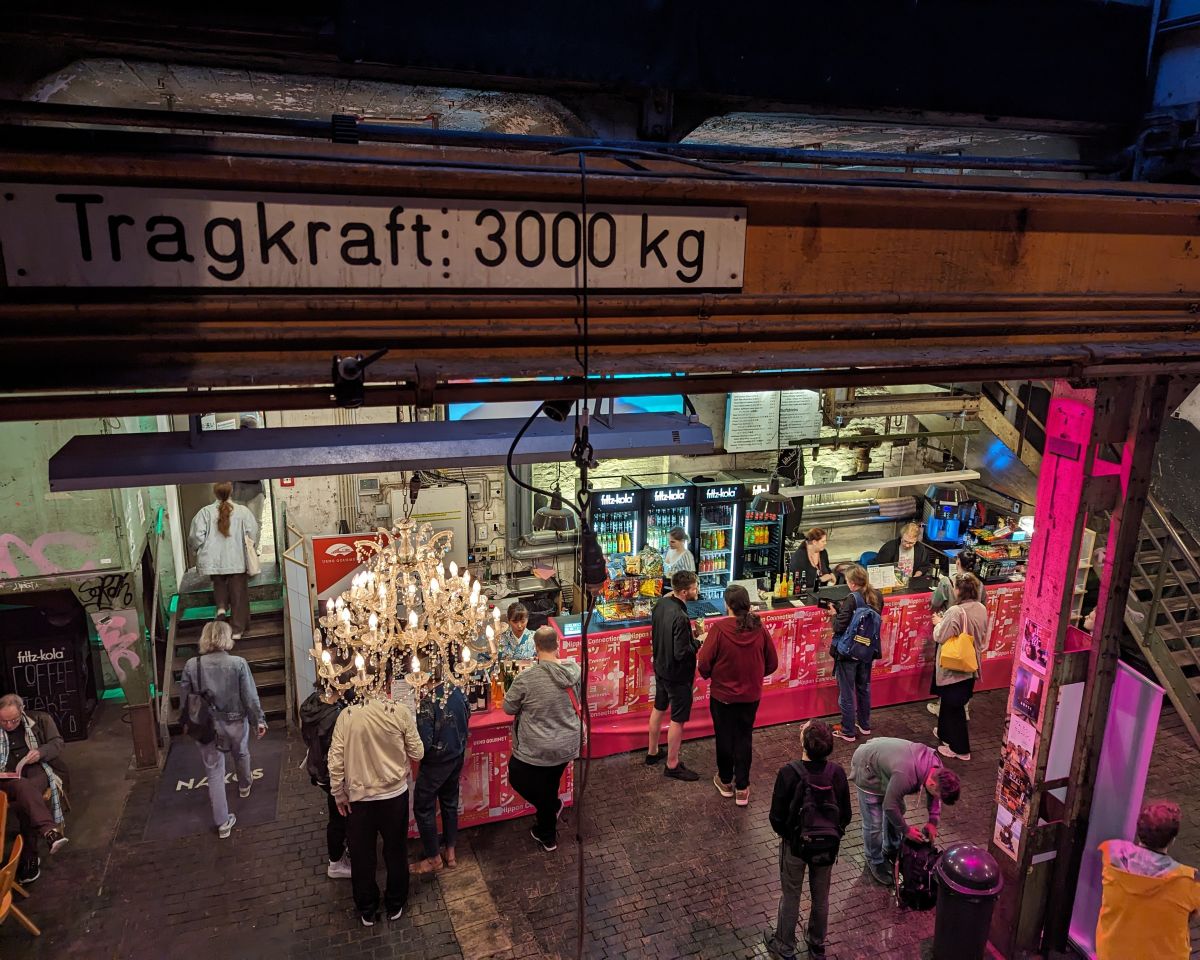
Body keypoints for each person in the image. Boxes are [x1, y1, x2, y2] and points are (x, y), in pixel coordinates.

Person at [327, 692, 425, 926]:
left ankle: (367, 908)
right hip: (394, 796)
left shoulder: (347, 715)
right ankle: (395, 903)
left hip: (358, 800)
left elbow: (335, 759)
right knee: (395, 851)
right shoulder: (398, 712)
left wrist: (339, 794)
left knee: (362, 856)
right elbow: (418, 752)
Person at [765, 720, 852, 960]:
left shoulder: (788, 773)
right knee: (821, 895)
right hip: (826, 847)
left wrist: (789, 836)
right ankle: (816, 945)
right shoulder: (837, 773)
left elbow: (776, 817)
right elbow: (845, 814)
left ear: (803, 743)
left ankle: (784, 945)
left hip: (795, 846)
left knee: (791, 894)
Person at [177, 620, 267, 839]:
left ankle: (223, 822)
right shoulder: (238, 663)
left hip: (205, 724)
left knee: (214, 771)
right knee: (241, 752)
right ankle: (244, 784)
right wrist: (259, 720)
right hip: (235, 720)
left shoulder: (192, 665)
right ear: (226, 638)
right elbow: (250, 696)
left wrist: (186, 723)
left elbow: (185, 698)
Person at [697, 583, 779, 805]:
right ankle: (742, 787)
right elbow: (772, 662)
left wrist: (711, 674)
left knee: (724, 737)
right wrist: (754, 676)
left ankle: (725, 781)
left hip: (722, 695)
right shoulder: (758, 628)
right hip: (750, 696)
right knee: (744, 737)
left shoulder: (719, 629)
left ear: (727, 605)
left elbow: (703, 662)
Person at [503, 626, 582, 853]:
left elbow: (509, 707)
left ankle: (548, 819)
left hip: (537, 747)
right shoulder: (573, 669)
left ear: (536, 647)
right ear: (557, 645)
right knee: (549, 783)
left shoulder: (527, 678)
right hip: (567, 743)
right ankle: (547, 832)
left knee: (518, 777)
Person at [1095, 799, 1200, 960]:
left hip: (1112, 954)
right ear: (1173, 839)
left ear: (1139, 831)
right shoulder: (1189, 882)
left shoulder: (1111, 856)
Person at [849, 737, 960, 885]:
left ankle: (891, 847)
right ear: (932, 784)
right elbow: (889, 806)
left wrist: (932, 821)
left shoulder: (937, 767)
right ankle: (874, 860)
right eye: (937, 795)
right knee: (874, 823)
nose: (936, 798)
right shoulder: (906, 775)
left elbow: (932, 796)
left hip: (887, 766)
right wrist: (906, 830)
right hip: (867, 767)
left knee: (899, 810)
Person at [0, 694, 68, 885]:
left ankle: (30, 857)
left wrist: (40, 752)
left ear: (21, 712)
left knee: (26, 796)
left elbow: (57, 743)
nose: (8, 725)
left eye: (13, 720)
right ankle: (49, 832)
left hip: (35, 768)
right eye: (3, 721)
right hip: (7, 776)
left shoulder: (39, 720)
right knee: (25, 791)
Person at [646, 570, 703, 780]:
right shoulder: (680, 616)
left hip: (660, 668)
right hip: (677, 676)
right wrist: (698, 641)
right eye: (695, 587)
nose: (697, 590)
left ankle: (652, 752)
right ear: (685, 591)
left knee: (658, 708)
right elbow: (681, 652)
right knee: (677, 720)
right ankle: (672, 764)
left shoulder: (661, 605)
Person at [189, 481, 260, 640]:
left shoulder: (205, 513)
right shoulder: (243, 512)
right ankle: (236, 630)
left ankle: (221, 608)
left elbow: (195, 537)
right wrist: (252, 547)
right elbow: (252, 533)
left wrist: (197, 550)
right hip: (237, 561)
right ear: (231, 492)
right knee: (238, 593)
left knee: (219, 584)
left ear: (215, 493)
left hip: (215, 562)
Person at [412, 680, 469, 875]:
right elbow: (467, 713)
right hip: (456, 755)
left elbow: (423, 744)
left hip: (436, 763)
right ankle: (450, 853)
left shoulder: (426, 701)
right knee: (449, 802)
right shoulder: (456, 689)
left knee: (423, 806)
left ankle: (434, 858)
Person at [931, 574, 988, 761]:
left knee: (954, 707)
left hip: (954, 666)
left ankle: (960, 749)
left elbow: (940, 636)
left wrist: (938, 623)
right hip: (971, 663)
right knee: (951, 704)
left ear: (958, 591)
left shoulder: (955, 611)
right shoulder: (981, 608)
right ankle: (946, 735)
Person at [828, 565, 884, 744]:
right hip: (867, 650)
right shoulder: (877, 595)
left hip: (849, 652)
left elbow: (838, 627)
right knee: (863, 687)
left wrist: (833, 614)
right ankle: (864, 725)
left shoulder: (853, 598)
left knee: (847, 691)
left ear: (852, 584)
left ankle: (848, 730)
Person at [299, 689, 351, 878]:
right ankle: (336, 862)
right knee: (341, 817)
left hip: (318, 767)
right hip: (331, 774)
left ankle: (341, 856)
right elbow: (338, 753)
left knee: (339, 816)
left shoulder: (313, 701)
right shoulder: (336, 715)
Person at [231, 414, 267, 534]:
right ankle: (251, 550)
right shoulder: (260, 443)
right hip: (246, 489)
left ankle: (248, 551)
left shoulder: (235, 444)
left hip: (242, 489)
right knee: (254, 522)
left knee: (245, 523)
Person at [930, 548, 986, 612]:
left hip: (950, 620)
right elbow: (982, 606)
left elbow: (935, 603)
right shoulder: (979, 584)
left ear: (958, 562)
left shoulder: (946, 582)